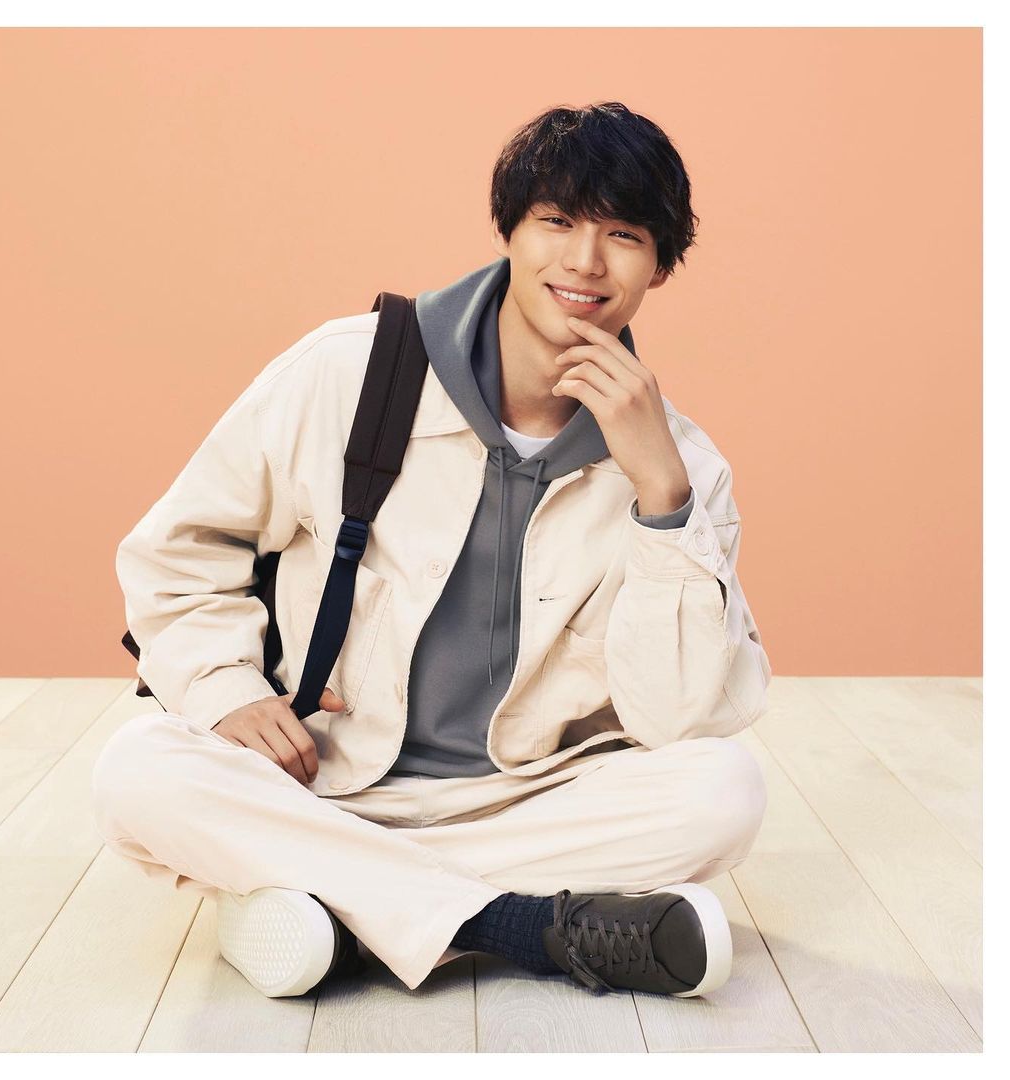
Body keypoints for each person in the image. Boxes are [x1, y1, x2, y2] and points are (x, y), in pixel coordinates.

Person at [92, 101, 771, 1001]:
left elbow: (676, 720)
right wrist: (226, 690)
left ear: (660, 264)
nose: (584, 261)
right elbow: (180, 549)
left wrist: (661, 500)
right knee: (137, 770)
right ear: (508, 230)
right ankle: (516, 928)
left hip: (526, 800)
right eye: (556, 222)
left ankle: (329, 905)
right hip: (322, 778)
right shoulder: (349, 370)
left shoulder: (680, 465)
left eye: (624, 235)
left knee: (725, 790)